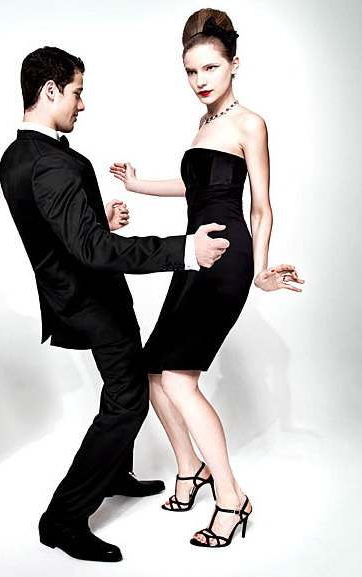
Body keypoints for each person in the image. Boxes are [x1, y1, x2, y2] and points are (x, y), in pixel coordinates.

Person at [0, 46, 230, 563]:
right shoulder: (52, 162)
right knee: (129, 399)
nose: (82, 104)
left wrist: (96, 220)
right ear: (50, 91)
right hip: (92, 299)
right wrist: (184, 250)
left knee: (122, 384)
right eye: (76, 92)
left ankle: (114, 473)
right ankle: (63, 519)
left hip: (72, 292)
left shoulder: (17, 156)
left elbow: (60, 230)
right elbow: (90, 250)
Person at [110, 8, 304, 548]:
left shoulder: (249, 124)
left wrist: (261, 270)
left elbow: (261, 206)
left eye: (210, 69)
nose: (200, 81)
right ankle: (189, 467)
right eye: (191, 72)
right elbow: (195, 188)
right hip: (195, 255)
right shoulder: (203, 125)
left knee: (178, 379)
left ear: (234, 64)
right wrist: (138, 184)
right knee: (153, 372)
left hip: (227, 257)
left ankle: (231, 497)